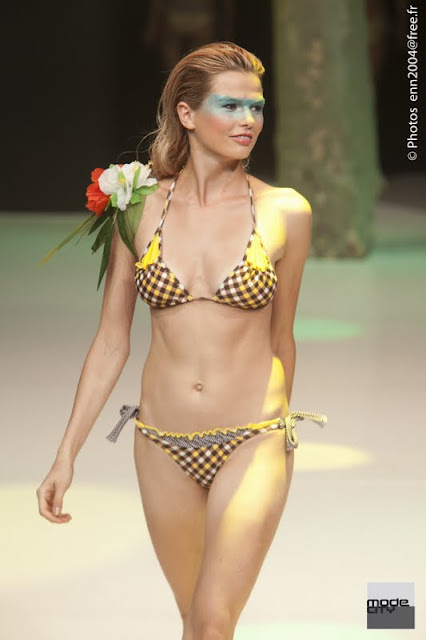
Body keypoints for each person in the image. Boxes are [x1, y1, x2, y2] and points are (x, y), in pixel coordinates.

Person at [36, 41, 327, 640]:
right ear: (187, 114)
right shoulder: (136, 207)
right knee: (194, 621)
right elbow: (111, 341)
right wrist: (67, 454)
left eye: (256, 106)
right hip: (161, 445)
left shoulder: (285, 212)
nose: (249, 120)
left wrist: (277, 435)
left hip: (252, 438)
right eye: (231, 105)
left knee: (214, 622)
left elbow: (283, 339)